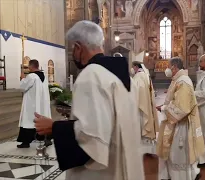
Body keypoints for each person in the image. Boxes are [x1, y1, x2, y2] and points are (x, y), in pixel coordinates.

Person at [33, 20, 144, 180]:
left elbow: (91, 138)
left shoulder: (91, 76)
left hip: (102, 173)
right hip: (124, 163)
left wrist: (54, 128)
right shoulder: (126, 79)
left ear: (79, 47)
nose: (73, 53)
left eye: (72, 48)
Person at [156, 57, 205, 180]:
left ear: (174, 67)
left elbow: (182, 108)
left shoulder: (183, 82)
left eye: (169, 66)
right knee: (175, 154)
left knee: (178, 155)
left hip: (181, 125)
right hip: (177, 123)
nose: (167, 68)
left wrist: (164, 109)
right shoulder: (178, 80)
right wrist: (164, 105)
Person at [17, 60, 52, 148]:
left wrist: (22, 78)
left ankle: (26, 142)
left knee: (28, 121)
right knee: (42, 120)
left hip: (32, 105)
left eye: (29, 66)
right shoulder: (44, 76)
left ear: (31, 66)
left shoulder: (32, 76)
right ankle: (47, 139)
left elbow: (22, 87)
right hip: (42, 104)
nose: (28, 68)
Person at [131, 61, 159, 155]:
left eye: (133, 67)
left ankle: (143, 148)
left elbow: (138, 89)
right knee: (146, 123)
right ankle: (148, 148)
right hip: (146, 103)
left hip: (141, 104)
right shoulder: (145, 75)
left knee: (142, 123)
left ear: (135, 67)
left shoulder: (139, 76)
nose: (132, 69)